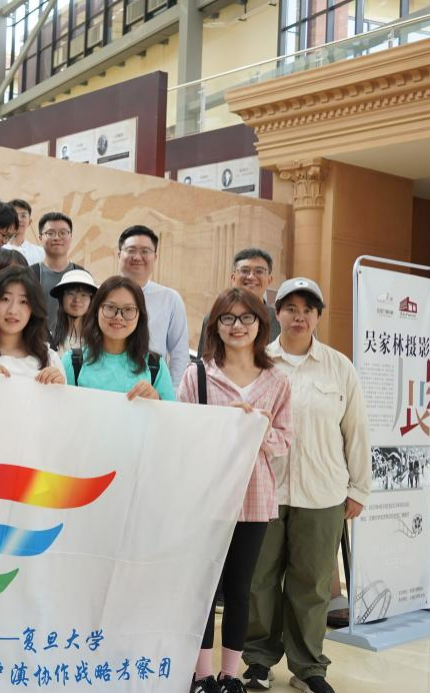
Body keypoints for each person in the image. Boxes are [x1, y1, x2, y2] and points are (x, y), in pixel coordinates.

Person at [241, 278, 369, 693]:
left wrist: (359, 488)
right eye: (291, 308)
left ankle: (309, 666)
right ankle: (258, 660)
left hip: (323, 492)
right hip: (264, 490)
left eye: (307, 309)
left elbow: (356, 431)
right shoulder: (257, 362)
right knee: (259, 579)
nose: (299, 316)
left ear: (318, 316)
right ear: (277, 313)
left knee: (312, 584)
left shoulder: (339, 367)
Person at [176, 288, 293, 693]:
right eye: (227, 318)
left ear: (261, 324)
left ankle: (230, 675)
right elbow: (182, 433)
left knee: (241, 589)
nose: (237, 326)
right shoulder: (198, 375)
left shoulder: (277, 380)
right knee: (204, 589)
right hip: (206, 497)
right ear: (216, 325)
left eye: (246, 318)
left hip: (255, 496)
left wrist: (258, 428)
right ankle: (202, 675)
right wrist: (221, 424)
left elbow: (285, 440)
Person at [63, 276, 174, 401]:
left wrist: (157, 400)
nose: (119, 317)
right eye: (110, 307)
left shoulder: (155, 366)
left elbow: (171, 412)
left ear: (140, 316)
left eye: (128, 309)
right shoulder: (72, 362)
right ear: (96, 311)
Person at [119, 225, 189, 386]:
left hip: (152, 386)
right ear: (119, 254)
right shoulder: (102, 294)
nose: (137, 257)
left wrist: (172, 393)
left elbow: (179, 354)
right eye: (131, 250)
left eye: (145, 251)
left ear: (155, 257)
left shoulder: (170, 299)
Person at [197, 248, 282, 356]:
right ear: (233, 278)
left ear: (269, 280)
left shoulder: (280, 320)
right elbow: (205, 360)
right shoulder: (214, 319)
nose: (251, 277)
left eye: (259, 271)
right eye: (245, 271)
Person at [29, 212, 85, 326]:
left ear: (71, 237)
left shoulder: (82, 275)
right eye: (50, 233)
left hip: (73, 337)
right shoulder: (30, 274)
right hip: (37, 337)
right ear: (40, 238)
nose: (57, 238)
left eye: (63, 233)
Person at [49, 268, 97, 353]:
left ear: (91, 299)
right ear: (61, 298)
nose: (77, 299)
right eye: (70, 293)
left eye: (84, 294)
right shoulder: (49, 339)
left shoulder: (99, 340)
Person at [6, 199, 46, 266]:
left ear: (29, 222)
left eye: (23, 216)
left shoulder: (40, 253)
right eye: (14, 215)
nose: (19, 219)